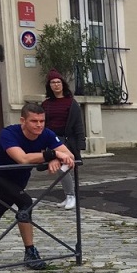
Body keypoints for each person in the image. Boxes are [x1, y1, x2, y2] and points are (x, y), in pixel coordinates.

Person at [0, 102, 76, 269]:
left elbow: (69, 155)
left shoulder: (46, 134)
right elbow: (23, 159)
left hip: (17, 181)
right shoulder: (8, 134)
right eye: (34, 121)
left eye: (42, 121)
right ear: (23, 121)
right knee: (25, 203)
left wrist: (55, 158)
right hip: (0, 176)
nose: (39, 125)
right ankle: (30, 252)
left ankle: (30, 252)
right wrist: (52, 154)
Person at [41, 70, 85, 210]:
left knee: (63, 167)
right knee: (59, 168)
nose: (56, 85)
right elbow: (43, 124)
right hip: (52, 140)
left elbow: (78, 124)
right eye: (53, 83)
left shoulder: (71, 103)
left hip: (67, 141)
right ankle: (69, 196)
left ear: (63, 84)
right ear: (50, 86)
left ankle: (71, 196)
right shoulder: (46, 104)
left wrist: (80, 144)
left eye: (58, 82)